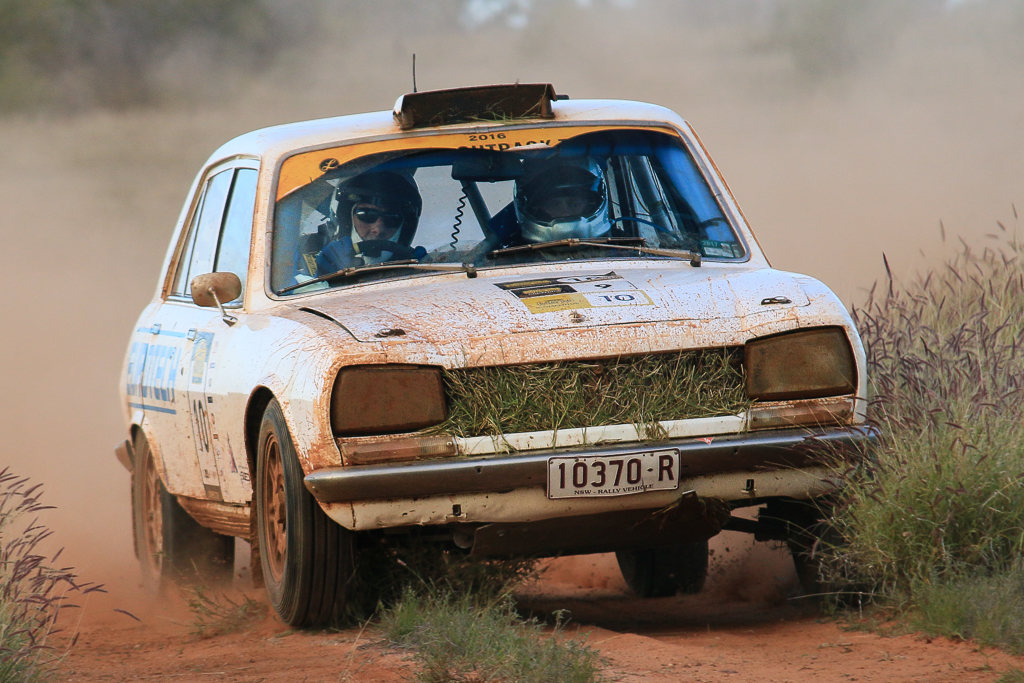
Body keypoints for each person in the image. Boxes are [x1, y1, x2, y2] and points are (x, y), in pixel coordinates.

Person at [316, 170, 423, 274]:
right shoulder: (314, 262)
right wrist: (322, 277)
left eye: (392, 218)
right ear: (346, 219)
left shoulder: (421, 267)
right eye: (367, 215)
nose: (378, 229)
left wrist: (427, 270)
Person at [512, 158, 611, 243]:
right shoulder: (506, 258)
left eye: (574, 204)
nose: (565, 213)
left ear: (591, 204)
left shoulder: (623, 248)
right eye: (555, 205)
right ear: (536, 208)